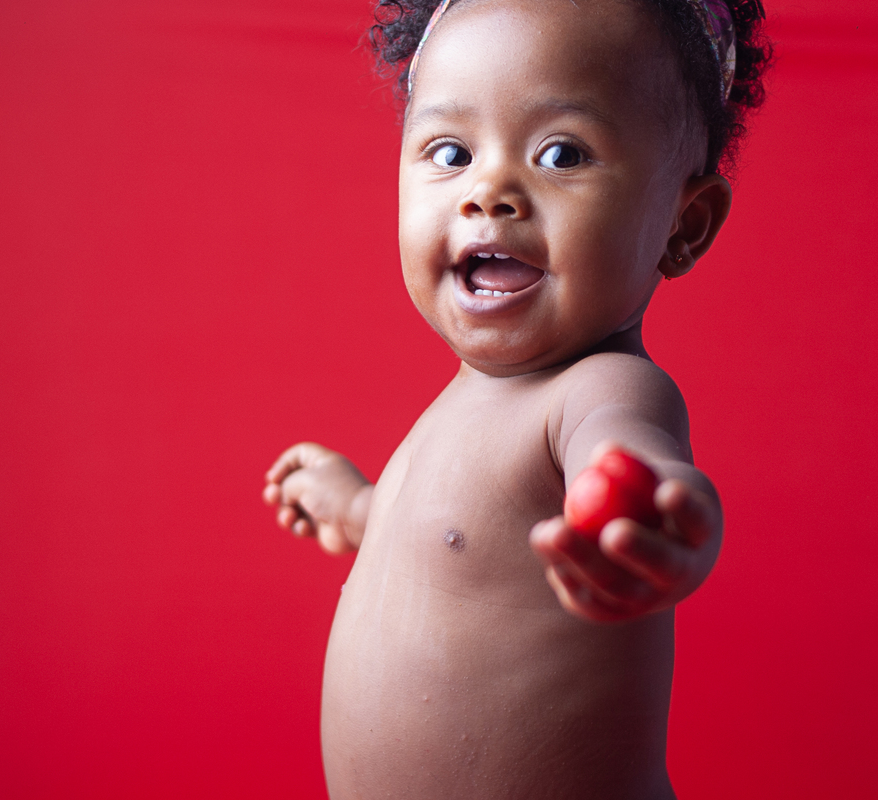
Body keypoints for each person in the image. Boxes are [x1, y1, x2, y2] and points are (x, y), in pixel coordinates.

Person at [263, 0, 769, 796]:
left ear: (684, 222)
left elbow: (625, 452)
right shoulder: (462, 404)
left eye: (562, 154)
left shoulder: (599, 390)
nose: (490, 190)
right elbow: (461, 547)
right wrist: (360, 508)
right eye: (451, 151)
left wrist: (651, 512)